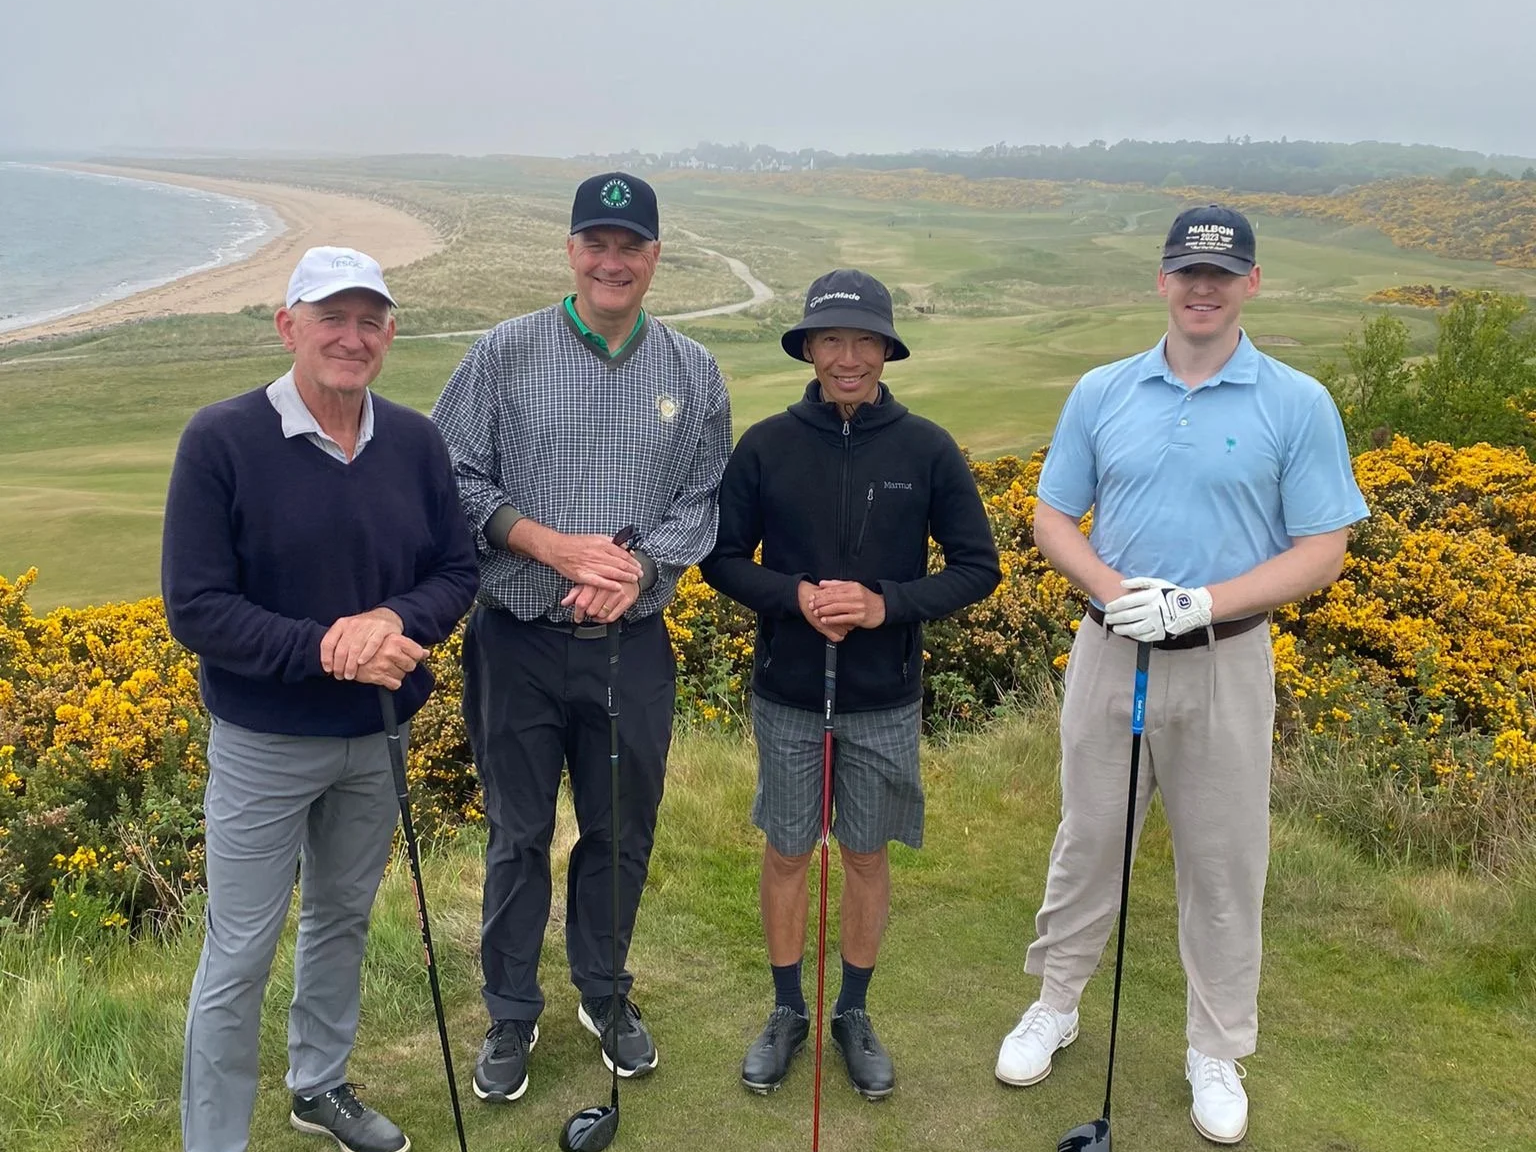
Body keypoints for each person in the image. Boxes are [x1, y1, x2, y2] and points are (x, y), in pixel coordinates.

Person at [993, 206, 1369, 1144]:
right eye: (1187, 272)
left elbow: (1324, 548)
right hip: (1111, 650)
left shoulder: (1297, 401)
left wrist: (1201, 601)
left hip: (1226, 659)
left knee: (1224, 860)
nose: (1203, 289)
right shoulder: (1104, 389)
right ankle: (1058, 1002)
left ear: (1252, 283)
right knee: (1089, 841)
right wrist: (1121, 593)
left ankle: (1216, 1048)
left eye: (1223, 273)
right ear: (1161, 281)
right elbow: (1052, 518)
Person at [163, 246, 479, 1152]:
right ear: (288, 325)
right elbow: (198, 608)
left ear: (388, 334)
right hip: (266, 740)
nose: (351, 337)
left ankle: (320, 1086)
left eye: (369, 320)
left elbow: (454, 572)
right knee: (240, 950)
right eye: (330, 318)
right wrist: (328, 649)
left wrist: (386, 618)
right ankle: (213, 1140)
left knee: (342, 916)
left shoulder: (415, 442)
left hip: (379, 736)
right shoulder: (220, 440)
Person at [430, 172, 731, 1103]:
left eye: (630, 245)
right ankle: (511, 1014)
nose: (612, 260)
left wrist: (639, 571)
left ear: (653, 257)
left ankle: (604, 992)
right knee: (518, 834)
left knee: (619, 829)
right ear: (570, 251)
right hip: (517, 638)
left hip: (630, 647)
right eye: (595, 243)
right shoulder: (505, 351)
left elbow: (703, 499)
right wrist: (548, 544)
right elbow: (452, 475)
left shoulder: (693, 370)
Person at [701, 269, 1001, 1099]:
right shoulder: (765, 444)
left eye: (864, 341)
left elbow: (980, 569)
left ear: (886, 351)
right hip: (789, 690)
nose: (847, 357)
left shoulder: (927, 449)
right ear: (807, 347)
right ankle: (788, 1009)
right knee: (790, 849)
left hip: (884, 695)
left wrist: (884, 606)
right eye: (830, 340)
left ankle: (854, 1013)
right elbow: (721, 559)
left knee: (865, 853)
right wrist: (794, 596)